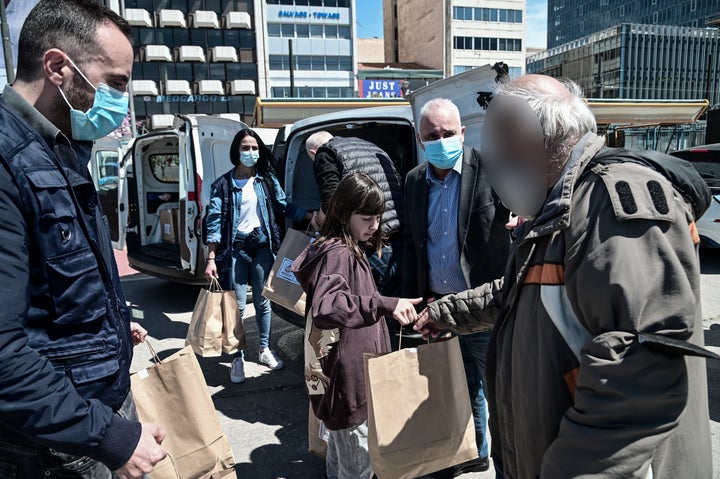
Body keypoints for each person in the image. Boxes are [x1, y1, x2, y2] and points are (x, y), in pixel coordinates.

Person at [415, 75, 713, 478]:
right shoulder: (558, 208)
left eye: (495, 157)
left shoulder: (611, 206)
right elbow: (522, 290)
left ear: (527, 142)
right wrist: (448, 311)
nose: (495, 178)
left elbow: (636, 380)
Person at [0, 0, 166, 477]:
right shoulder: (8, 161)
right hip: (51, 449)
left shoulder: (62, 149)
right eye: (115, 82)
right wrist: (109, 438)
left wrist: (110, 325)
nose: (121, 100)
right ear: (57, 67)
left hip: (89, 423)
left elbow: (55, 295)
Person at [402, 98, 511, 477]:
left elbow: (521, 212)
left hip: (482, 305)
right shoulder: (414, 181)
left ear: (463, 133)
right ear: (420, 138)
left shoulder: (493, 170)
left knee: (498, 387)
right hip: (437, 305)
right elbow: (412, 244)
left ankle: (506, 462)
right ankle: (473, 452)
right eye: (432, 135)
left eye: (448, 133)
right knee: (457, 384)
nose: (441, 140)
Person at [291, 172, 421, 479]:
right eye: (366, 218)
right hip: (349, 384)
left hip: (344, 380)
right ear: (344, 212)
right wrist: (384, 304)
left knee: (342, 458)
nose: (374, 226)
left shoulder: (339, 246)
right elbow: (327, 306)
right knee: (357, 466)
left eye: (377, 218)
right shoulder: (339, 253)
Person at [205, 128, 314, 384]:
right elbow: (214, 222)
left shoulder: (265, 180)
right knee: (238, 307)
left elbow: (283, 205)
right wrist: (211, 258)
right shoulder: (222, 185)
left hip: (263, 247)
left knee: (264, 302)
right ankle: (237, 357)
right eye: (246, 147)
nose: (251, 152)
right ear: (236, 151)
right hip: (236, 251)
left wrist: (311, 216)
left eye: (254, 148)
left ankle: (264, 349)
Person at [305, 131, 404, 294]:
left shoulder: (325, 153)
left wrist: (318, 220)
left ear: (312, 153)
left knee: (371, 306)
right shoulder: (370, 146)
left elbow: (331, 203)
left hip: (368, 244)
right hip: (398, 241)